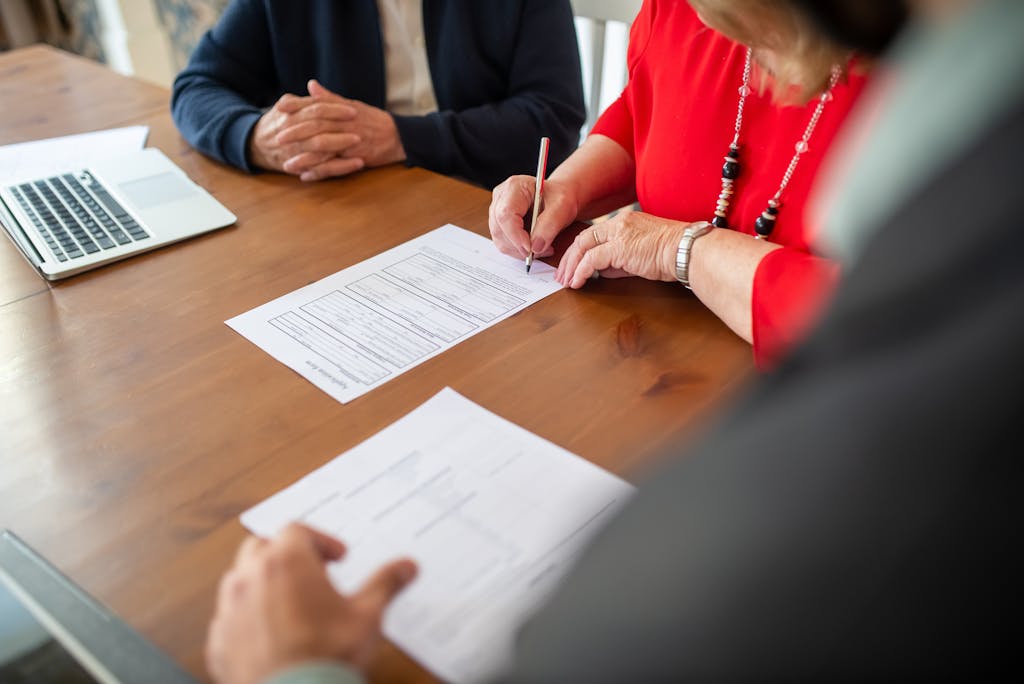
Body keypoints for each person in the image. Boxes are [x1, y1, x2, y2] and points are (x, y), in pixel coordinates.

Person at [203, 0, 1024, 680]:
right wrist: (567, 186)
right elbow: (637, 113)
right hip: (647, 388)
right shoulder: (689, 12)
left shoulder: (964, 179)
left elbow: (877, 324)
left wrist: (683, 248)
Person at [490, 0, 870, 368]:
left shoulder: (913, 62)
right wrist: (567, 190)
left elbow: (883, 313)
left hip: (822, 384)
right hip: (659, 353)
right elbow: (647, 111)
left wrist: (682, 249)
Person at [170, 0, 585, 189]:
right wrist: (257, 137)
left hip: (489, 206)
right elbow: (198, 87)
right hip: (350, 210)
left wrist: (401, 137)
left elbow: (555, 117)